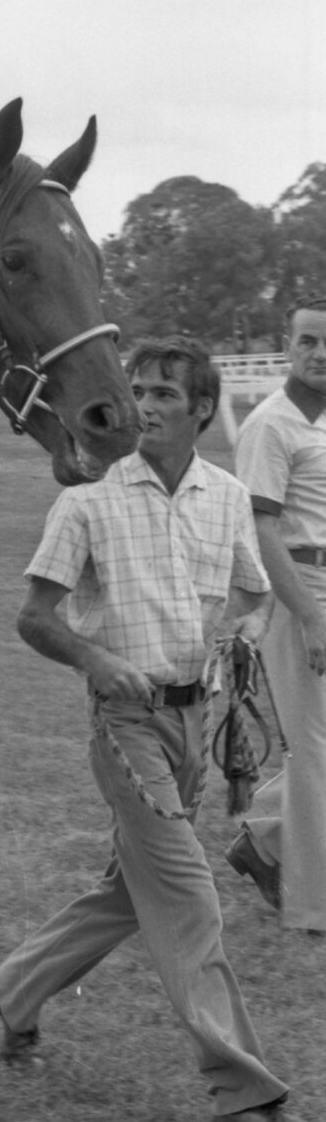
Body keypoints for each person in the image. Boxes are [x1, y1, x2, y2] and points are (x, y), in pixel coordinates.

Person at [0, 336, 326, 1122]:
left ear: (202, 409)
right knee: (186, 894)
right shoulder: (88, 503)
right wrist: (99, 660)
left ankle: (15, 992)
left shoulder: (225, 497)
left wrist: (224, 641)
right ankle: (244, 1097)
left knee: (127, 890)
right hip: (124, 727)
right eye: (137, 389)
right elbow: (34, 618)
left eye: (164, 393)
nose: (143, 404)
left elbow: (250, 583)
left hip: (195, 724)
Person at [229, 297, 326, 932]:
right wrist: (311, 615)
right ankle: (314, 906)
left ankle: (264, 841)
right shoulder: (271, 424)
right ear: (287, 345)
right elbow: (259, 528)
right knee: (316, 747)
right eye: (308, 342)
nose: (319, 354)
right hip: (301, 590)